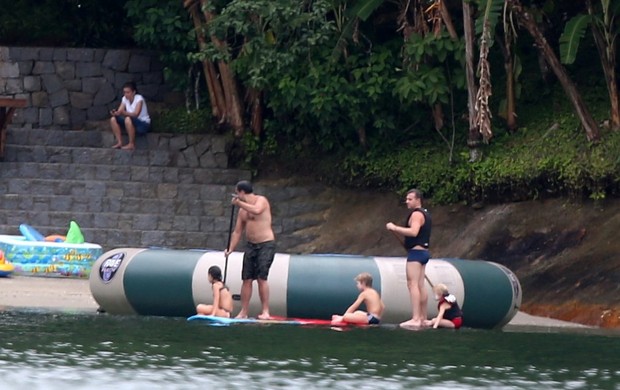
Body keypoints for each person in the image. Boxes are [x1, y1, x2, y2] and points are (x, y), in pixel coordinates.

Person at [224, 180, 276, 320]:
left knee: (261, 278)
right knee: (246, 278)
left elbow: (257, 210)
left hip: (266, 244)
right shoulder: (242, 211)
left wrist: (239, 203)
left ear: (241, 192)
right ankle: (244, 311)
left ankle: (265, 311)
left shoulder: (261, 201)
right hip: (251, 246)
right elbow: (237, 232)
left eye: (237, 193)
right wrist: (230, 248)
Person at [386, 188, 432, 327]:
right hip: (423, 253)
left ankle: (416, 318)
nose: (407, 201)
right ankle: (423, 318)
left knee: (412, 284)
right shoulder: (425, 213)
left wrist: (395, 228)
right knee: (420, 285)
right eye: (406, 199)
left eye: (410, 199)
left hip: (416, 254)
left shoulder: (417, 215)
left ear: (418, 200)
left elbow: (413, 232)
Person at [109, 81, 151, 150]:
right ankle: (119, 142)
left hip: (143, 123)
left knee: (128, 119)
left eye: (128, 92)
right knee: (113, 119)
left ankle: (131, 144)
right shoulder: (124, 99)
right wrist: (115, 113)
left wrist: (124, 113)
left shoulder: (139, 98)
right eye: (124, 92)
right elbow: (120, 111)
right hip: (130, 121)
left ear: (133, 92)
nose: (126, 94)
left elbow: (136, 114)